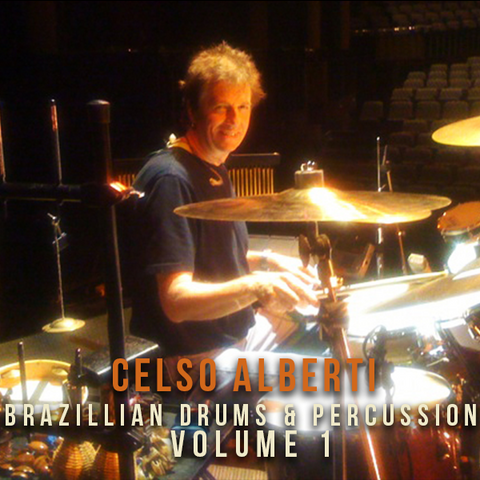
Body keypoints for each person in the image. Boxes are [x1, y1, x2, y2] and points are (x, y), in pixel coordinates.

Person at [130, 42, 318, 386]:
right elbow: (176, 301)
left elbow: (209, 257)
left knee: (320, 324)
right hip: (190, 360)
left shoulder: (213, 166)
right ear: (192, 109)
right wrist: (259, 286)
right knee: (327, 380)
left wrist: (268, 262)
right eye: (221, 107)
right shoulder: (171, 179)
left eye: (242, 107)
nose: (234, 119)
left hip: (234, 336)